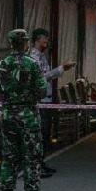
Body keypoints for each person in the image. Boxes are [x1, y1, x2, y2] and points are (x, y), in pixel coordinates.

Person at [0, 29, 50, 191]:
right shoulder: (31, 64)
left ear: (10, 43)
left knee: (9, 159)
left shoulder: (0, 65)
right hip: (28, 116)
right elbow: (42, 91)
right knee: (31, 159)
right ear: (25, 43)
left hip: (8, 115)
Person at [29, 28, 74, 177]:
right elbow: (41, 78)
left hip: (46, 100)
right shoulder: (33, 58)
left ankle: (41, 163)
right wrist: (61, 69)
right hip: (39, 101)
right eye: (44, 39)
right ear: (37, 40)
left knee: (45, 134)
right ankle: (36, 167)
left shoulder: (42, 56)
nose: (46, 42)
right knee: (40, 135)